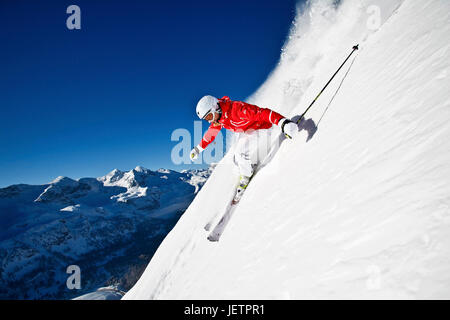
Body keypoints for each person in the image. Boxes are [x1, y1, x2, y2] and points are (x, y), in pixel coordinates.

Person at [190, 95, 298, 201]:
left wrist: (283, 122)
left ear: (215, 108)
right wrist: (198, 149)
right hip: (248, 130)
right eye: (206, 119)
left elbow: (262, 113)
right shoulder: (220, 118)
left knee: (240, 153)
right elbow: (210, 134)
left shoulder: (238, 109)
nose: (210, 121)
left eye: (209, 117)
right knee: (236, 158)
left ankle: (246, 176)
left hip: (261, 127)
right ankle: (250, 163)